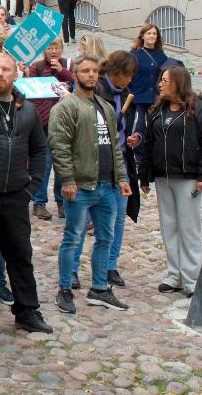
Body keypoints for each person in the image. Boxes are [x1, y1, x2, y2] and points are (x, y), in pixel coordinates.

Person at [0, 53, 52, 336]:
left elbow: (40, 150)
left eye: (6, 69)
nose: (0, 73)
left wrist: (32, 186)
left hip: (16, 194)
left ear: (16, 74)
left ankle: (27, 311)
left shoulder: (26, 110)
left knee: (20, 255)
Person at [49, 54, 132, 315]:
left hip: (106, 186)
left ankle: (99, 287)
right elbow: (59, 145)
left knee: (105, 238)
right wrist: (68, 179)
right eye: (85, 71)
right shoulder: (66, 107)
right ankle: (64, 288)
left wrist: (121, 178)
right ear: (75, 74)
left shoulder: (105, 106)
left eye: (95, 71)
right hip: (81, 186)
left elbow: (115, 147)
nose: (91, 75)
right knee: (72, 238)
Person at [139, 65, 202, 297]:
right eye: (161, 80)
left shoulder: (200, 109)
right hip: (164, 177)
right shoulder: (158, 110)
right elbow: (149, 143)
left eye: (166, 80)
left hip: (188, 178)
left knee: (189, 228)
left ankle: (192, 279)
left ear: (179, 83)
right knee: (169, 226)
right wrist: (145, 174)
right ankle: (173, 274)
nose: (160, 84)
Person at [80, 50, 141, 288]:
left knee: (118, 216)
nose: (129, 80)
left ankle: (110, 265)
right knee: (84, 219)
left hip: (121, 162)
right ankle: (72, 270)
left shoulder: (126, 95)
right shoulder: (96, 91)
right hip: (94, 162)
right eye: (127, 75)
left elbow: (128, 127)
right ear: (115, 72)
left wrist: (136, 138)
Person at [28, 39, 76, 221]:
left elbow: (76, 84)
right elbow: (30, 92)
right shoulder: (37, 67)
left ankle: (61, 202)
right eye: (50, 47)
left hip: (65, 123)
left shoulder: (68, 65)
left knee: (62, 164)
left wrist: (62, 72)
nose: (54, 51)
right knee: (45, 164)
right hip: (44, 123)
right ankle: (39, 202)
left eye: (57, 47)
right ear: (44, 50)